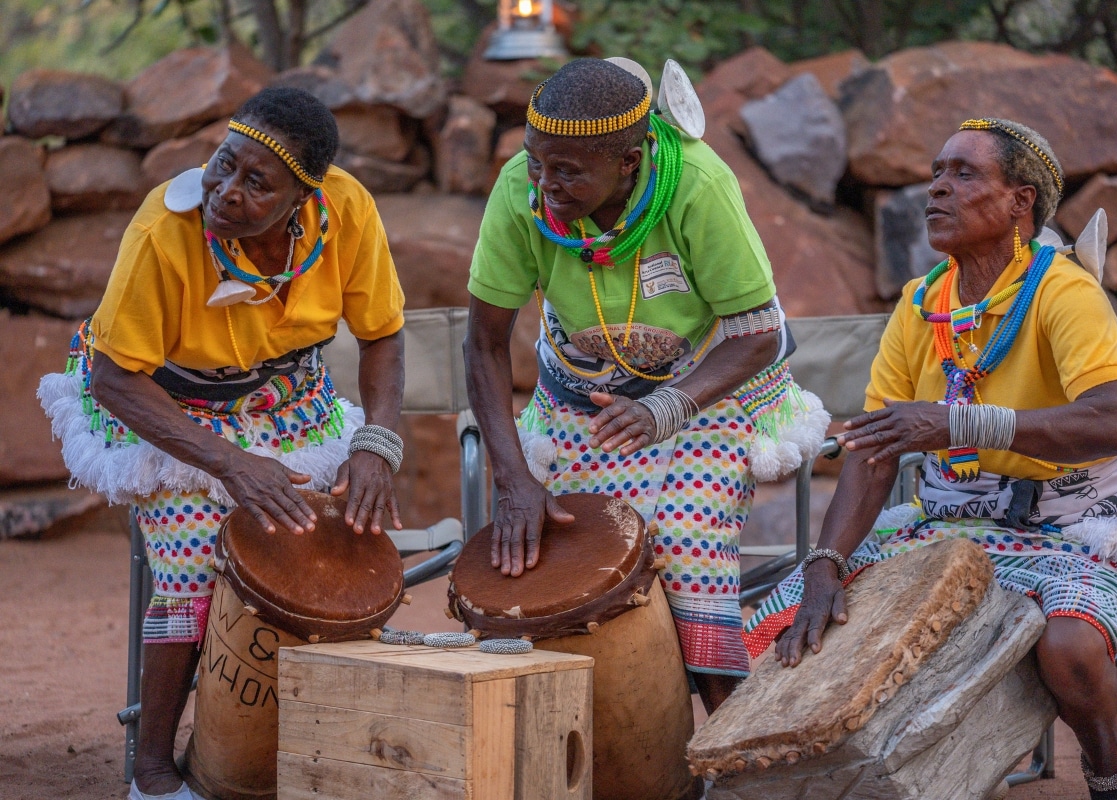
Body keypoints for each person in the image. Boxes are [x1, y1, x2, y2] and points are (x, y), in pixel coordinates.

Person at [745, 118, 1117, 800]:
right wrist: (825, 565)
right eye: (935, 172)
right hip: (947, 520)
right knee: (777, 628)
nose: (938, 187)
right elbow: (873, 452)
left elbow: (1115, 421)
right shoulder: (921, 304)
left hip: (1077, 524)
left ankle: (1111, 777)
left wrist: (957, 420)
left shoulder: (1064, 291)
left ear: (1021, 202)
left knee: (1070, 646)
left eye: (964, 174)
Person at [38, 87, 406, 800]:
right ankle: (152, 772)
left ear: (303, 198)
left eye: (254, 182)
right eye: (223, 165)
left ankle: (294, 742)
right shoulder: (163, 231)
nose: (225, 192)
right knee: (192, 554)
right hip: (163, 404)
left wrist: (377, 442)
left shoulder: (347, 209)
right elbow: (117, 380)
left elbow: (384, 333)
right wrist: (232, 464)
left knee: (331, 539)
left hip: (289, 399)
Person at [464, 58, 829, 713]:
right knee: (565, 563)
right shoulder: (523, 186)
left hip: (710, 387)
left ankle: (731, 743)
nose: (544, 185)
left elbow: (759, 334)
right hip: (580, 397)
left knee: (685, 550)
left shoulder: (697, 185)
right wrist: (514, 477)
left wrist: (666, 406)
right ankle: (601, 746)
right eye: (537, 161)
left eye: (568, 170)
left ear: (630, 161)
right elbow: (485, 342)